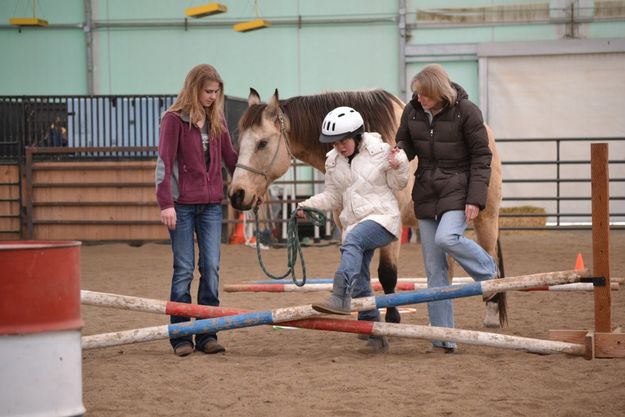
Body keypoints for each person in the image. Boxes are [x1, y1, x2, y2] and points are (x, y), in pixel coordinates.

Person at [395, 63, 505, 353]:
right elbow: (405, 141)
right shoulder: (413, 110)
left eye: (424, 95)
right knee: (435, 269)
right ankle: (443, 336)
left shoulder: (467, 112)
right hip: (427, 192)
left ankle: (488, 270)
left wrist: (475, 199)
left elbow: (482, 157)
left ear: (439, 92)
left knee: (447, 238)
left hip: (458, 189)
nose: (419, 100)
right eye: (416, 95)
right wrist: (399, 154)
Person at [296, 106, 409, 352]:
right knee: (359, 273)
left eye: (343, 140)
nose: (339, 146)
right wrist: (307, 204)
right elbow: (333, 196)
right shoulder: (333, 161)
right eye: (334, 143)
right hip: (355, 224)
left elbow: (399, 183)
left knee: (352, 240)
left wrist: (399, 164)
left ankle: (339, 295)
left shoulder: (380, 151)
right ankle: (374, 333)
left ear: (357, 135)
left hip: (383, 219)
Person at [155, 64, 238, 357]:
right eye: (208, 91)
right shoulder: (173, 120)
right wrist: (165, 203)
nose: (213, 97)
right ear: (194, 88)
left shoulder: (218, 119)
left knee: (211, 268)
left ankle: (207, 334)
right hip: (181, 206)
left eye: (216, 92)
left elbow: (231, 158)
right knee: (184, 269)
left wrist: (250, 185)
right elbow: (164, 163)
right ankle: (180, 336)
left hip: (211, 206)